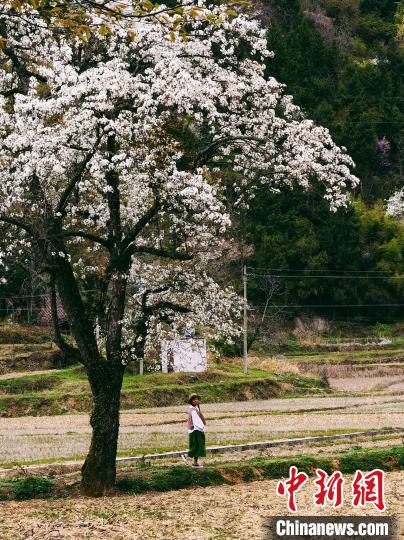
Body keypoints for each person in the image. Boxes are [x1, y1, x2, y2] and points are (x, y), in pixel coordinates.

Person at [182, 393, 206, 467]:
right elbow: (196, 421)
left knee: (197, 445)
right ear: (191, 401)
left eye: (197, 399)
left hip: (197, 429)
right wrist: (201, 428)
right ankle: (187, 455)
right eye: (194, 399)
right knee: (197, 445)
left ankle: (195, 463)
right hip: (196, 430)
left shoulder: (195, 408)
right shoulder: (193, 410)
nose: (196, 400)